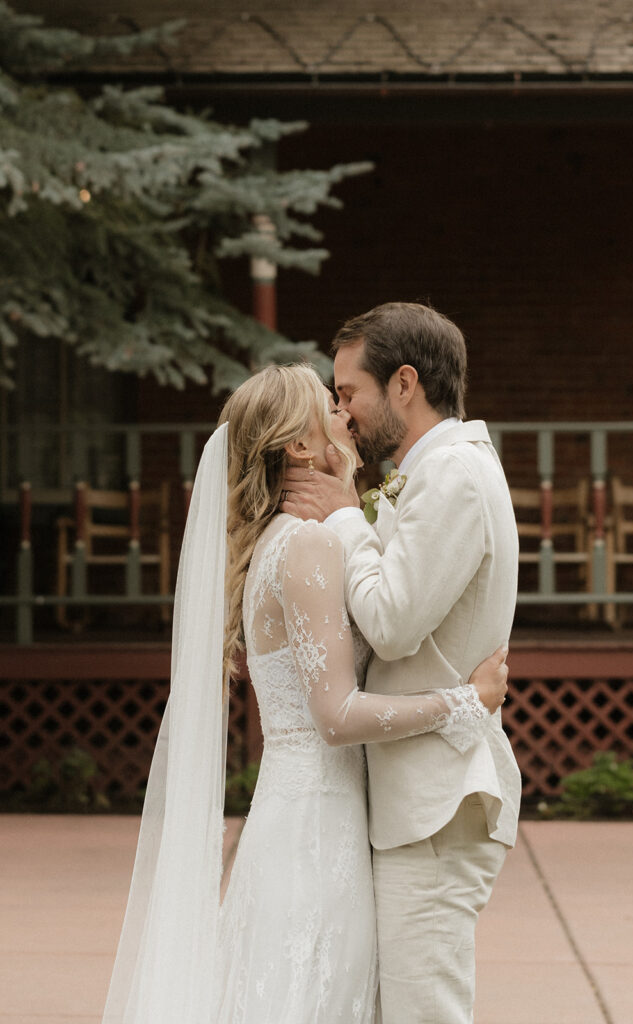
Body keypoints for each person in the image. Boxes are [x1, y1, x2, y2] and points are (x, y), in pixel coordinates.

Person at [101, 362, 508, 1024]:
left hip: (293, 819)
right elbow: (336, 716)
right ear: (296, 444)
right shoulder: (310, 544)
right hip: (318, 834)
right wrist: (463, 703)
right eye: (330, 405)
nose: (346, 415)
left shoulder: (278, 541)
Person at [281, 303, 522, 1024]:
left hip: (436, 802)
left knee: (424, 1014)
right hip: (415, 798)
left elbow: (389, 622)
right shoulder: (432, 472)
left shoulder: (452, 475)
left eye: (349, 391)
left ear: (405, 384)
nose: (342, 412)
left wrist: (345, 517)